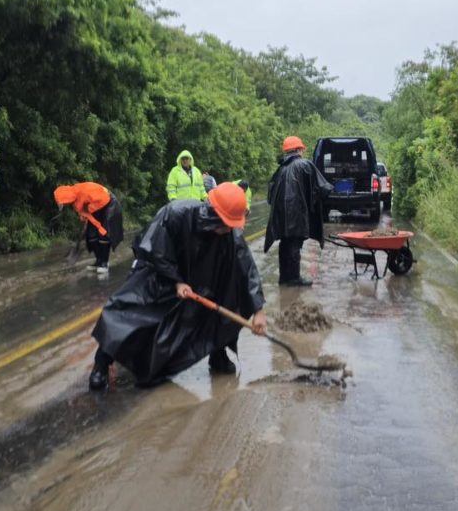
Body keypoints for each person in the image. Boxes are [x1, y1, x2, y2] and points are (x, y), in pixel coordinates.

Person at [88, 182, 267, 391]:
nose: (229, 229)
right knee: (127, 312)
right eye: (226, 223)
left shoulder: (231, 234)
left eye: (231, 225)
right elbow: (153, 248)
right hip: (161, 273)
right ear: (213, 213)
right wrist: (176, 280)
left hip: (201, 281)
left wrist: (258, 310)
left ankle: (218, 356)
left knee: (226, 300)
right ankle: (102, 363)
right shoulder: (176, 213)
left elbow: (247, 268)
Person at [264, 136, 333, 286]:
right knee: (295, 245)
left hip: (281, 217)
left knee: (285, 244)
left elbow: (270, 196)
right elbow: (323, 188)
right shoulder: (305, 165)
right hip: (297, 215)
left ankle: (284, 278)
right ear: (299, 150)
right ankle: (294, 279)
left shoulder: (280, 169)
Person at [53, 182, 124, 273]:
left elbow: (104, 199)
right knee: (91, 237)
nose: (66, 205)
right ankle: (99, 261)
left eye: (64, 203)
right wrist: (84, 215)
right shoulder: (74, 199)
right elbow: (82, 209)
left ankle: (104, 263)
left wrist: (89, 210)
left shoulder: (85, 191)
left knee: (103, 234)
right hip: (96, 207)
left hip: (108, 204)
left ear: (67, 198)